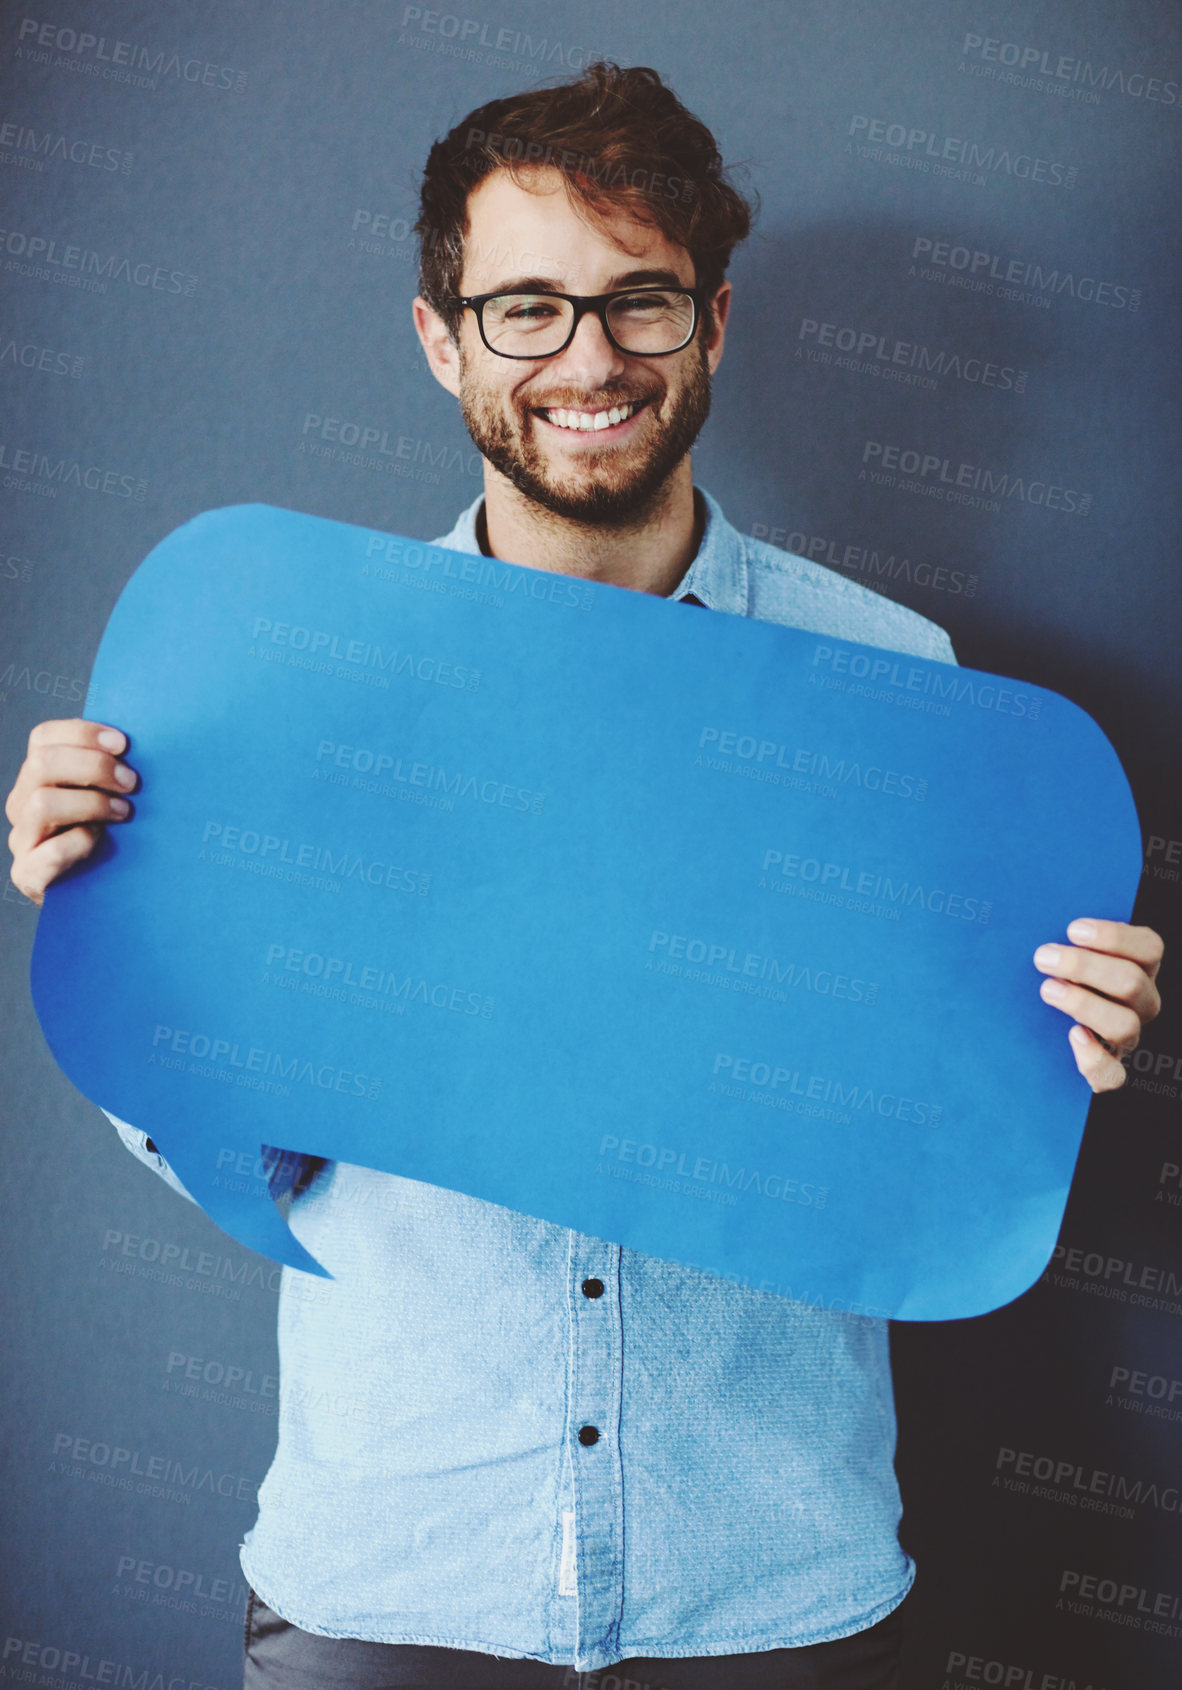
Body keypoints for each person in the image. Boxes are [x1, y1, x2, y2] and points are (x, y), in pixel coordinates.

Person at [5, 62, 1164, 1690]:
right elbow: (236, 1139)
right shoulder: (285, 686)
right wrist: (127, 934)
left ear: (714, 322)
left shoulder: (898, 681)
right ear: (440, 334)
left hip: (774, 1588)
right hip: (391, 1585)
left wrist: (1050, 1052)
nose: (589, 359)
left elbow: (915, 1138)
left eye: (639, 302)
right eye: (526, 308)